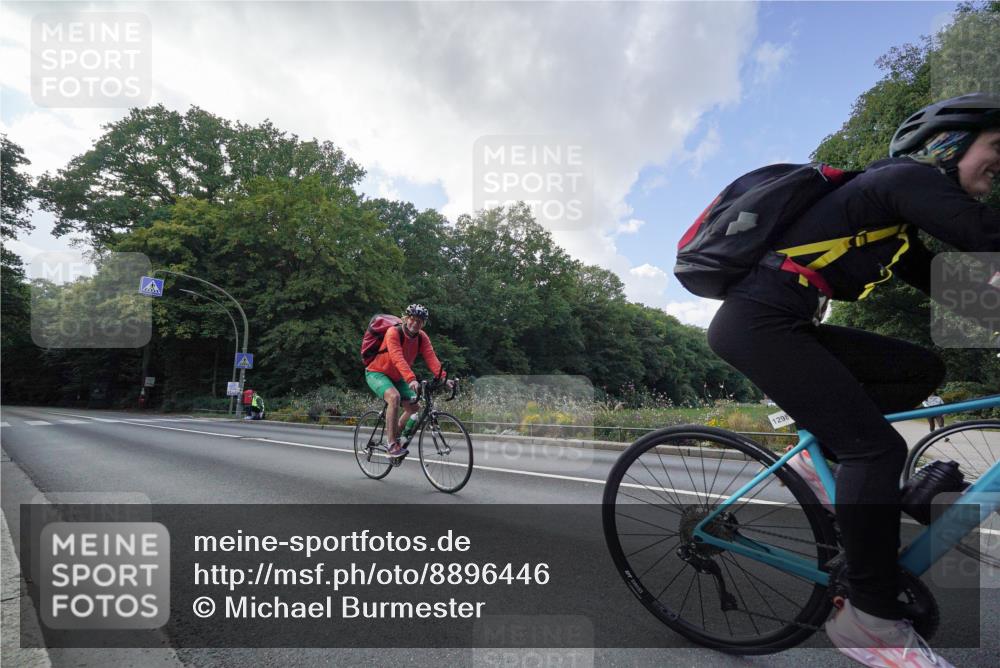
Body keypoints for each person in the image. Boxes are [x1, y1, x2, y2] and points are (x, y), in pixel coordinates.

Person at [706, 93, 1000, 668]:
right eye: (995, 157)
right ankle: (869, 620)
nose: (995, 179)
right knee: (876, 448)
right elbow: (983, 236)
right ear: (948, 145)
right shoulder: (901, 179)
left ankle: (815, 462)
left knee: (922, 368)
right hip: (755, 325)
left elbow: (958, 292)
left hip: (784, 324)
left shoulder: (893, 228)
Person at [364, 304, 451, 458]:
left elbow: (431, 358)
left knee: (414, 407)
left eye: (420, 321)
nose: (415, 323)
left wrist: (443, 377)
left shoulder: (422, 337)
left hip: (398, 377)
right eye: (412, 319)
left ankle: (396, 432)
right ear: (406, 318)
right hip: (377, 373)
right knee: (394, 397)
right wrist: (411, 379)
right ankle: (392, 445)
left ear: (423, 323)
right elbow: (397, 357)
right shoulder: (393, 332)